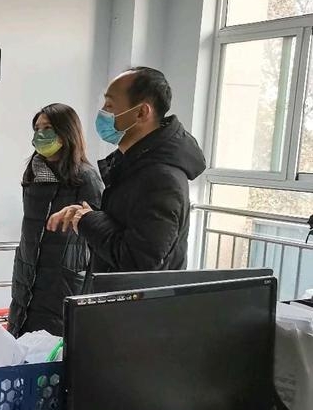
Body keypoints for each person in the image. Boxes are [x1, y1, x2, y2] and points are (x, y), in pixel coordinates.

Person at [46, 67, 206, 273]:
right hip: (113, 291)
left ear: (141, 112)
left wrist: (87, 220)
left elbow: (139, 261)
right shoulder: (133, 166)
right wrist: (86, 215)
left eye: (109, 105)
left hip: (135, 295)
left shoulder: (161, 179)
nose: (102, 113)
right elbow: (125, 226)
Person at [8, 103, 103, 337]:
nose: (40, 134)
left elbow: (98, 238)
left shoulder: (86, 178)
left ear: (66, 131)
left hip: (63, 284)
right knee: (21, 342)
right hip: (27, 279)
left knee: (54, 348)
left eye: (48, 128)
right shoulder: (33, 174)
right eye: (37, 128)